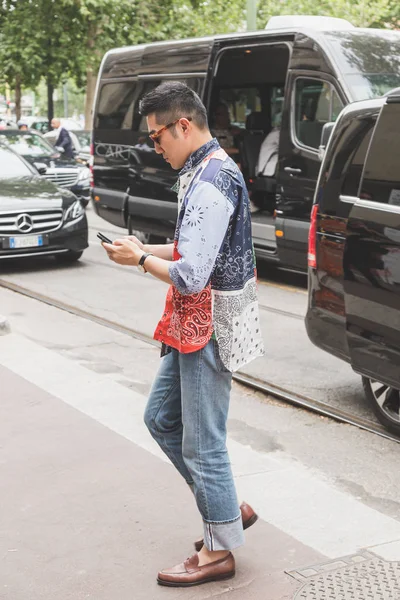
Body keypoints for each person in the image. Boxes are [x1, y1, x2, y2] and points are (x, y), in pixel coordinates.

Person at [101, 81, 264, 587]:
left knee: (203, 444)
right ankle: (226, 509)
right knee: (159, 418)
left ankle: (218, 553)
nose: (155, 146)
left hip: (206, 324)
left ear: (183, 126)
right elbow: (196, 246)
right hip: (192, 323)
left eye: (156, 137)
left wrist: (140, 260)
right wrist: (148, 246)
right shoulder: (207, 169)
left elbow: (194, 274)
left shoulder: (213, 179)